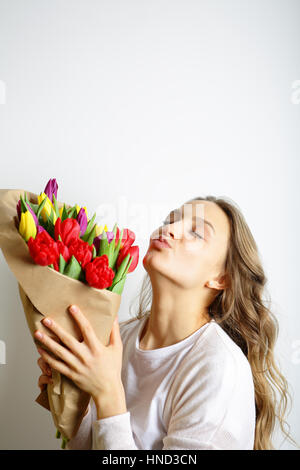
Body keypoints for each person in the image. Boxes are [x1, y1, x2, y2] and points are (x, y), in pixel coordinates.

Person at [37, 196, 294, 450]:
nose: (168, 229)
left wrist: (107, 392)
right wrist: (74, 402)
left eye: (196, 233)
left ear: (221, 278)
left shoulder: (219, 368)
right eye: (169, 220)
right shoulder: (119, 337)